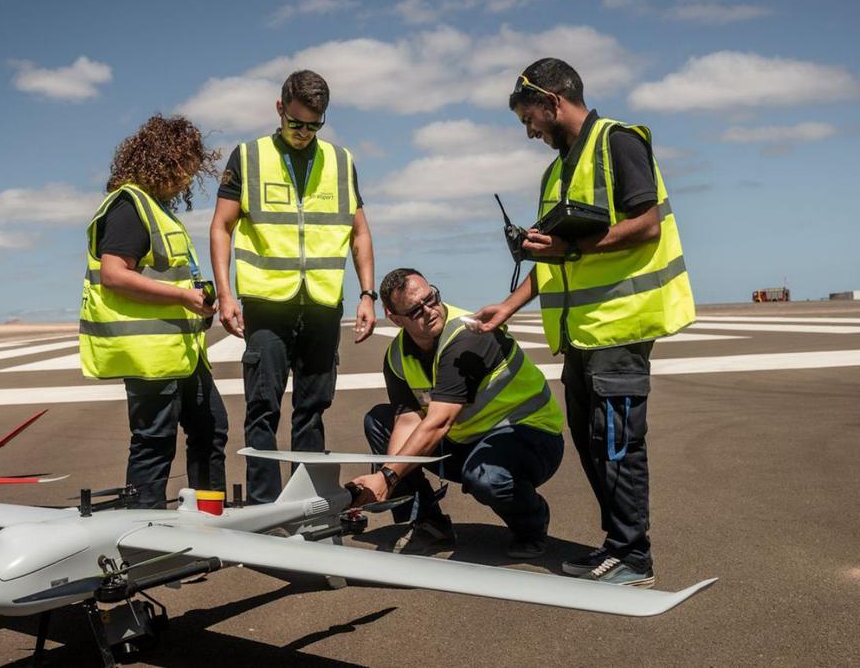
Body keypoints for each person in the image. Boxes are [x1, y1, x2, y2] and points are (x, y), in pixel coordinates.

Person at [473, 58, 696, 587]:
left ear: (553, 102)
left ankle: (633, 555)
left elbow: (647, 223)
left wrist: (570, 243)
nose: (529, 132)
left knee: (617, 442)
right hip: (582, 335)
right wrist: (510, 304)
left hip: (621, 325)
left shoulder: (618, 142)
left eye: (530, 119)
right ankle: (617, 545)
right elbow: (560, 259)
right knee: (593, 439)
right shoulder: (557, 170)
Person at [209, 69, 376, 504]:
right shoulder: (248, 157)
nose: (303, 133)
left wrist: (367, 294)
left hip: (322, 304)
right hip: (267, 304)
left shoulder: (340, 161)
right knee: (262, 409)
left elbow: (360, 232)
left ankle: (305, 504)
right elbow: (222, 226)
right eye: (296, 123)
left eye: (314, 125)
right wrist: (226, 294)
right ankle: (263, 508)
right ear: (279, 109)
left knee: (312, 410)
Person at [348, 268, 564, 557]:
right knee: (379, 421)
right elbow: (407, 420)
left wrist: (387, 477)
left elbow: (439, 422)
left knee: (486, 478)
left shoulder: (467, 335)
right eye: (416, 310)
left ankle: (531, 525)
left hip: (529, 436)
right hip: (466, 442)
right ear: (395, 318)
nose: (430, 310)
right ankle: (429, 522)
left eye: (432, 298)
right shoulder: (397, 356)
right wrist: (391, 476)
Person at [78, 115, 227, 509]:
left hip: (182, 354)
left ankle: (208, 523)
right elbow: (113, 275)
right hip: (151, 357)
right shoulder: (129, 206)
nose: (186, 181)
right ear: (164, 160)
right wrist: (182, 298)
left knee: (211, 430)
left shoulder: (156, 208)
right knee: (154, 443)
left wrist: (197, 298)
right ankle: (143, 537)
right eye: (185, 170)